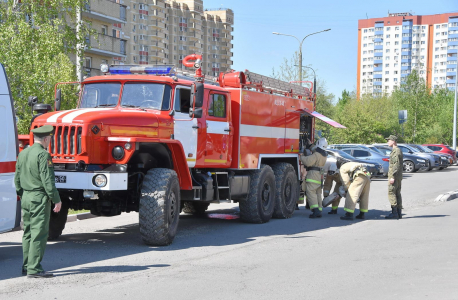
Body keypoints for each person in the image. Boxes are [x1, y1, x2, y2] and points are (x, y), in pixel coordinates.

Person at [14, 125, 62, 278]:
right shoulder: (43, 155)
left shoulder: (24, 153)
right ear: (47, 139)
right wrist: (56, 199)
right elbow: (48, 181)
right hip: (39, 198)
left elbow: (17, 178)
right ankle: (34, 269)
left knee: (27, 232)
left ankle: (27, 266)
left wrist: (22, 194)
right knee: (39, 233)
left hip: (26, 197)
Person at [300, 138, 328, 218]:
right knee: (318, 193)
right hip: (319, 176)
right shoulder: (324, 154)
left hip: (313, 176)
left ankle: (315, 210)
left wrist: (301, 156)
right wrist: (310, 145)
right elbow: (316, 150)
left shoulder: (316, 155)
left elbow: (308, 161)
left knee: (311, 192)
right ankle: (319, 209)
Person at [385, 135, 403, 219]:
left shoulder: (396, 151)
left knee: (391, 193)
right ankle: (399, 213)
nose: (388, 142)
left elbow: (396, 165)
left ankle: (394, 212)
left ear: (393, 141)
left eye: (389, 140)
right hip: (398, 176)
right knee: (397, 193)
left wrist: (392, 176)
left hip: (395, 176)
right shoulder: (396, 150)